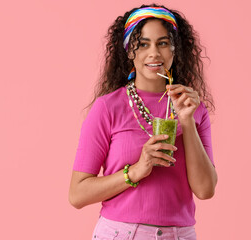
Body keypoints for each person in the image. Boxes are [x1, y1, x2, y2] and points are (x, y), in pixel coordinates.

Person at [69, 3, 217, 239]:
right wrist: (135, 172)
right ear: (130, 51)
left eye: (163, 43)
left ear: (174, 49)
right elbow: (77, 194)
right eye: (143, 44)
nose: (154, 53)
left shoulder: (193, 107)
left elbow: (205, 190)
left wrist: (187, 121)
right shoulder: (107, 108)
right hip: (120, 233)